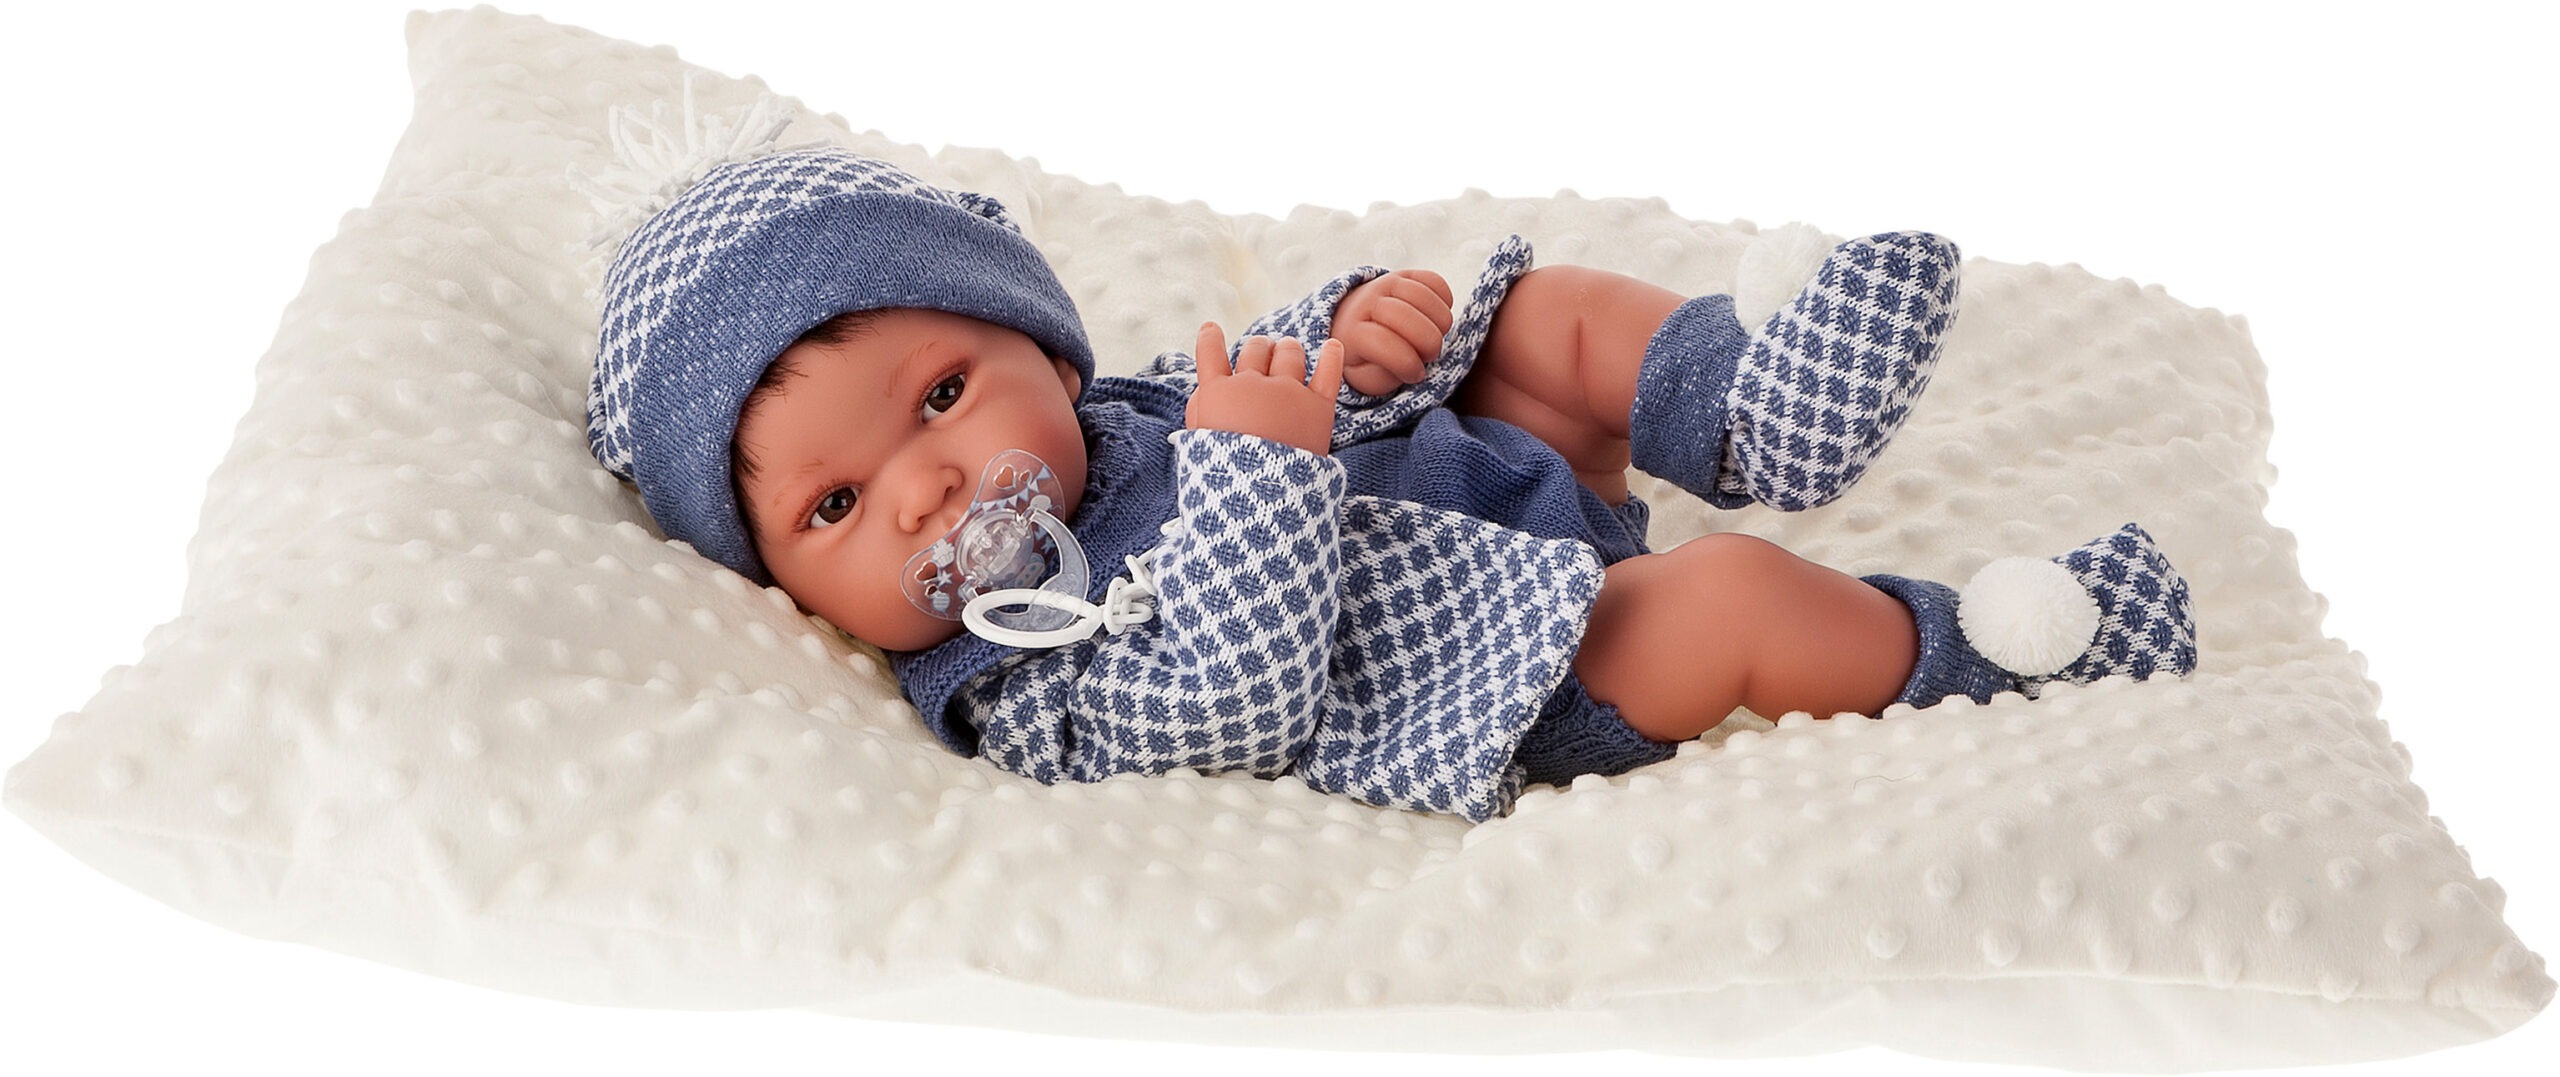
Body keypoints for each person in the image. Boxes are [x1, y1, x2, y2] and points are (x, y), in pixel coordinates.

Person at [585, 145, 2197, 821]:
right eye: (835, 508)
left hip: (1485, 486)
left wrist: (1360, 339)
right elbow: (1230, 703)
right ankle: (1995, 650)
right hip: (1510, 668)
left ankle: (1746, 411)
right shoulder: (1015, 672)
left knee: (1537, 315)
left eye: (941, 395)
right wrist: (1259, 467)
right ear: (777, 577)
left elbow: (1266, 377)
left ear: (1047, 353)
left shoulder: (1115, 416)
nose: (926, 488)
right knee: (1731, 599)